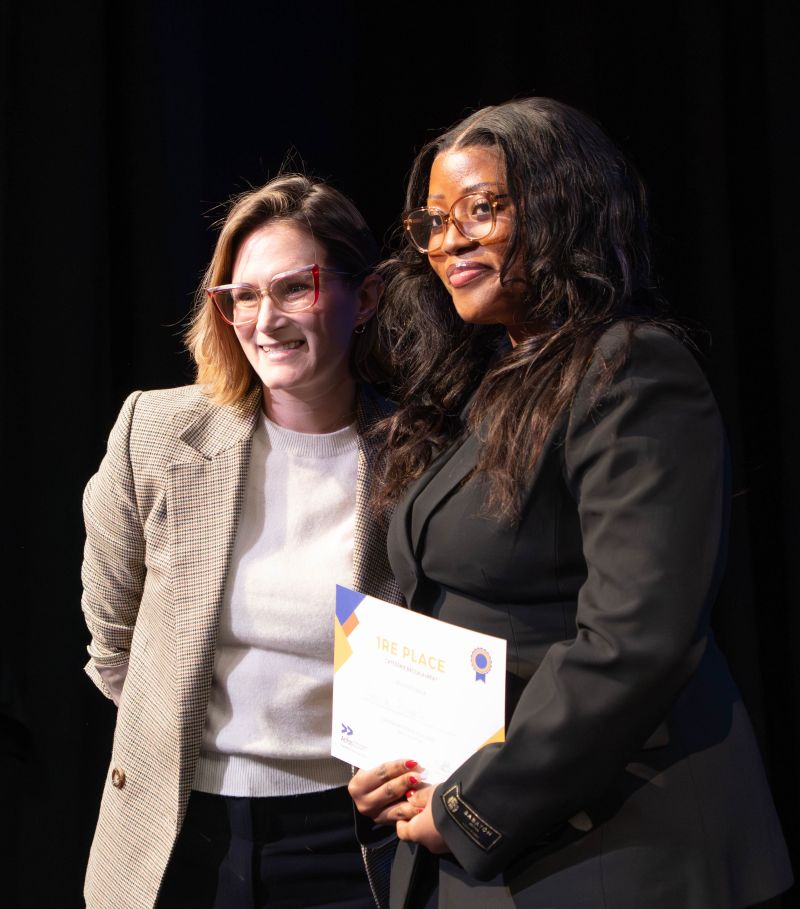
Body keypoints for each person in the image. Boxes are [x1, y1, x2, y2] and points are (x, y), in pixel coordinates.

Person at [349, 98, 794, 908]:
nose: (453, 240)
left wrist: (473, 804)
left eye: (483, 208)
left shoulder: (631, 369)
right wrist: (397, 759)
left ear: (564, 208)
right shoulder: (481, 382)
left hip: (615, 845)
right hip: (484, 834)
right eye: (437, 220)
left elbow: (637, 643)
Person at [80, 173, 402, 909]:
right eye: (243, 295)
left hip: (353, 837)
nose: (265, 318)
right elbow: (111, 633)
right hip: (181, 830)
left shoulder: (423, 453)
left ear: (369, 295)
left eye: (296, 288)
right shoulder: (156, 433)